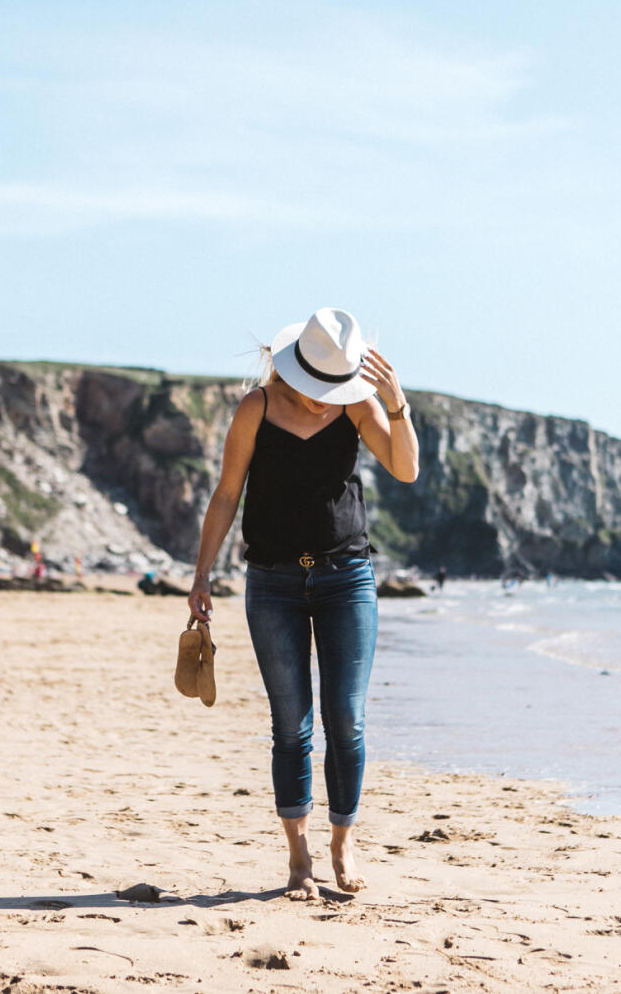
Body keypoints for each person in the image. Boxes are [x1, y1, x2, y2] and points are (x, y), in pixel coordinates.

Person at [188, 307, 419, 901]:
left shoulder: (359, 406)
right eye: (319, 387)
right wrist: (202, 574)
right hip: (273, 584)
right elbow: (226, 494)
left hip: (348, 579)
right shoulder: (256, 409)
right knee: (291, 726)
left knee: (347, 718)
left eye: (335, 387)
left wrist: (396, 405)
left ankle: (342, 844)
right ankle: (299, 858)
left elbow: (405, 468)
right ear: (294, 369)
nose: (325, 400)